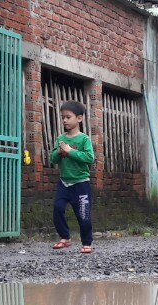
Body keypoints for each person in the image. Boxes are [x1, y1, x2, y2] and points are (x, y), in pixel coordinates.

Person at [50, 101, 96, 254]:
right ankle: (65, 237)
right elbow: (53, 159)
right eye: (63, 117)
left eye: (68, 117)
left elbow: (90, 158)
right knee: (58, 208)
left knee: (83, 214)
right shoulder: (61, 139)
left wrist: (70, 152)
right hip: (64, 182)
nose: (64, 120)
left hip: (81, 183)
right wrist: (59, 152)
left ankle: (87, 242)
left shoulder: (84, 139)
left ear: (79, 119)